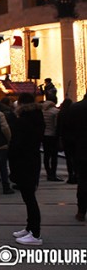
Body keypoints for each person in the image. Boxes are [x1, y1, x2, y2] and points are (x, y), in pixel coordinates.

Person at [8, 93, 45, 245]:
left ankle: (35, 234)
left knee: (29, 197)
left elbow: (17, 144)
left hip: (24, 161)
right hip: (32, 159)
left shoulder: (23, 121)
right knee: (28, 196)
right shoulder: (37, 117)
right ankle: (30, 227)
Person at [68, 94, 87, 222]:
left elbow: (69, 130)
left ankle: (81, 211)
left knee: (83, 182)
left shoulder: (75, 108)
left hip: (82, 150)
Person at [42, 95, 61, 181]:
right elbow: (56, 125)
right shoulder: (56, 111)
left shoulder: (42, 110)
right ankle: (53, 173)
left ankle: (48, 172)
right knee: (54, 156)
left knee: (46, 155)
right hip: (53, 135)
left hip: (44, 135)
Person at [57, 98, 76, 184]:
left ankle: (70, 174)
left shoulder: (61, 113)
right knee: (75, 157)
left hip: (65, 138)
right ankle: (76, 174)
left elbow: (59, 127)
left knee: (68, 157)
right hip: (74, 137)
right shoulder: (73, 113)